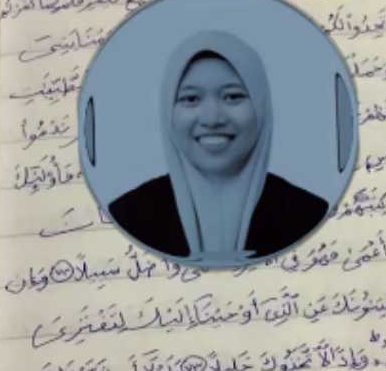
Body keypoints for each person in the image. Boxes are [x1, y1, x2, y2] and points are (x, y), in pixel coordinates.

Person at [108, 30, 329, 265]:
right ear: (167, 112)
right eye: (191, 99)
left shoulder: (311, 215)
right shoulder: (125, 216)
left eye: (232, 96)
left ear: (261, 107)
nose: (212, 119)